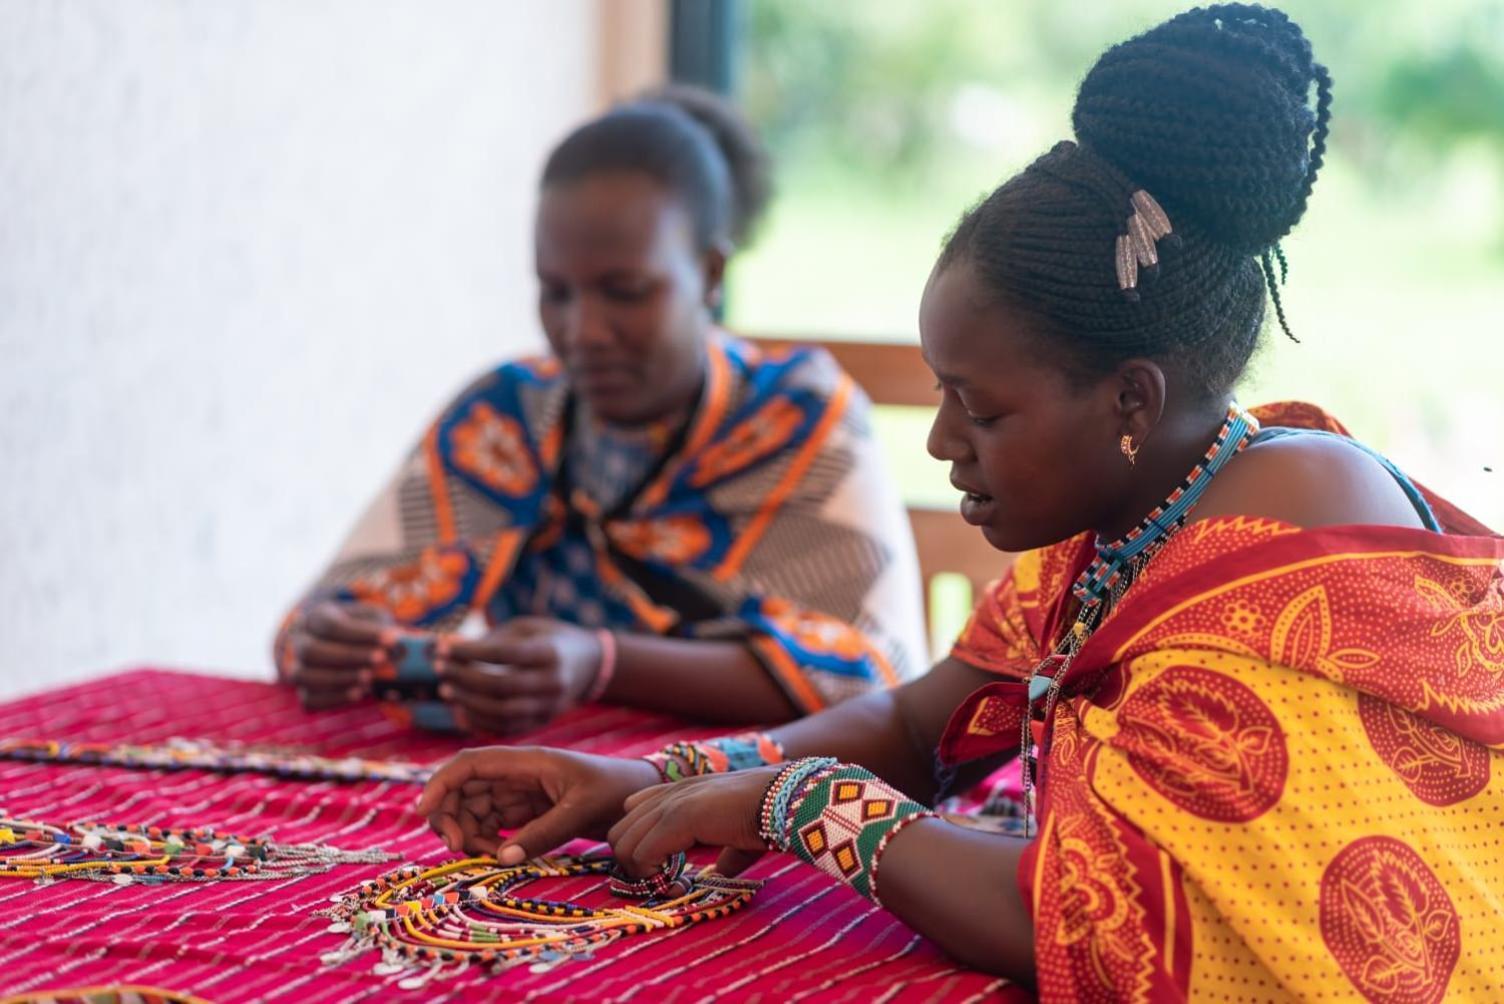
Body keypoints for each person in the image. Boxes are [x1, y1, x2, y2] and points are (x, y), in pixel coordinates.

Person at [414, 6, 1504, 997]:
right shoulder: (1146, 505)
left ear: (1128, 397)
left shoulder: (1274, 569)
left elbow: (1093, 924)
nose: (940, 444)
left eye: (979, 412)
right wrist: (641, 779)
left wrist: (803, 805)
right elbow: (915, 720)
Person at [274, 85, 927, 734]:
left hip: (743, 794)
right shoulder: (509, 417)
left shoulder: (798, 416)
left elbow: (869, 679)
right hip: (532, 779)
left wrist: (602, 661)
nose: (582, 330)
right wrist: (334, 644)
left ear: (709, 274)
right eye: (555, 292)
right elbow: (320, 624)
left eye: (626, 291)